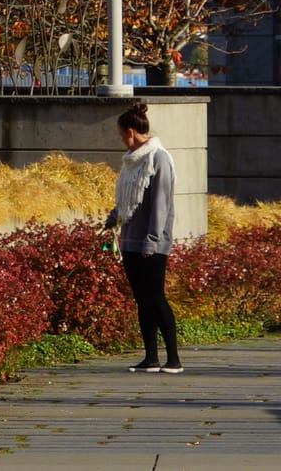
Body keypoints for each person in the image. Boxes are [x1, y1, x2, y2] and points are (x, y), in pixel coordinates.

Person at [104, 101, 181, 374]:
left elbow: (161, 203)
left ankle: (174, 359)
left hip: (153, 242)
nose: (120, 140)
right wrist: (115, 216)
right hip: (130, 240)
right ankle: (151, 358)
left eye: (121, 134)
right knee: (142, 300)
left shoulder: (159, 158)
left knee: (156, 297)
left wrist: (152, 238)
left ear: (131, 131)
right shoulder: (131, 161)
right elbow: (127, 199)